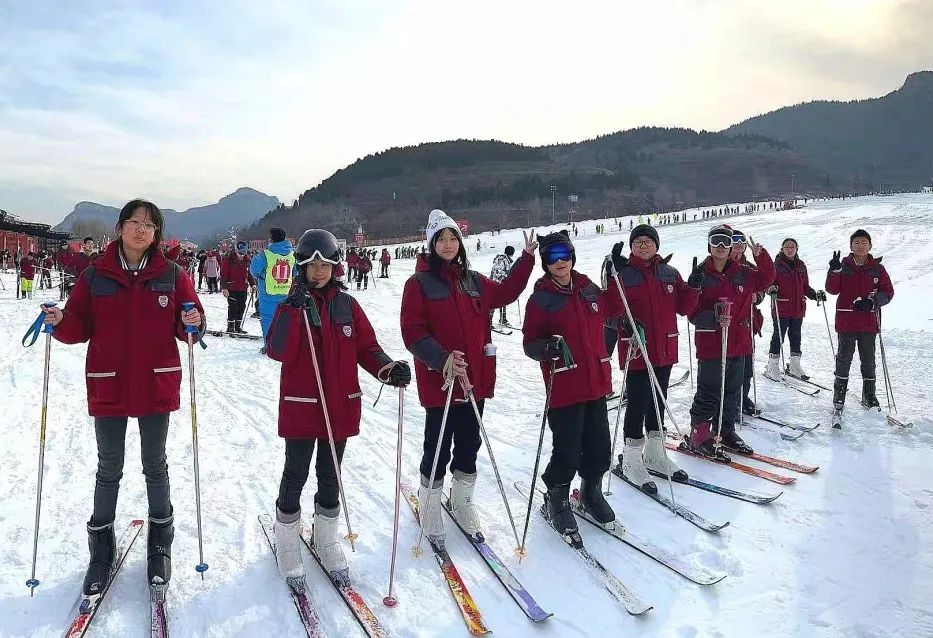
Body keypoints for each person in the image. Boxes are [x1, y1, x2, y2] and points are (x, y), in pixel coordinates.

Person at [41, 199, 205, 596]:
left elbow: (191, 324)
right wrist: (61, 321)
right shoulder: (96, 274)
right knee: (109, 466)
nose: (140, 230)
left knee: (155, 465)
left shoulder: (172, 273)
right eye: (133, 222)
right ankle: (100, 551)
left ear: (157, 234)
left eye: (148, 225)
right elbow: (79, 324)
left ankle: (160, 544)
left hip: (154, 384)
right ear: (119, 228)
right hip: (110, 382)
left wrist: (194, 322)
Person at [265, 229, 410, 578]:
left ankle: (326, 537)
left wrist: (387, 368)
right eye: (312, 264)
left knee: (331, 475)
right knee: (296, 472)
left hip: (339, 406)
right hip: (302, 405)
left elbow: (367, 348)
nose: (319, 271)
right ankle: (286, 536)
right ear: (301, 266)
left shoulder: (347, 305)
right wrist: (291, 310)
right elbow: (277, 350)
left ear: (335, 267)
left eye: (326, 264)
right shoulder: (291, 306)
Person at [400, 209, 534, 541]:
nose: (447, 244)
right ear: (432, 244)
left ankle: (462, 501)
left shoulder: (473, 282)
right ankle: (430, 505)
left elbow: (504, 294)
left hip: (474, 379)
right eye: (441, 239)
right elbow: (412, 332)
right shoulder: (418, 284)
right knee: (438, 445)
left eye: (452, 238)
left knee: (469, 443)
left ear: (460, 243)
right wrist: (442, 358)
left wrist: (527, 259)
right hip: (441, 380)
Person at [522, 230, 627, 535]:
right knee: (567, 449)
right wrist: (546, 349)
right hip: (565, 386)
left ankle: (591, 492)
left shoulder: (588, 289)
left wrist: (617, 275)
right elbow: (530, 342)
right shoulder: (541, 298)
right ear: (546, 262)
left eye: (565, 255)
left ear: (572, 257)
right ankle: (556, 497)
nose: (560, 262)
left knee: (599, 446)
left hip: (595, 382)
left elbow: (614, 307)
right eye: (553, 257)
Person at [604, 225, 699, 494]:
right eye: (638, 242)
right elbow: (610, 309)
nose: (643, 246)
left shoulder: (669, 273)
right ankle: (632, 460)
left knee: (659, 401)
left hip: (664, 347)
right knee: (637, 402)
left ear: (656, 245)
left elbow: (684, 308)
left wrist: (694, 287)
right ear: (632, 246)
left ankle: (655, 454)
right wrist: (610, 276)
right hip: (637, 349)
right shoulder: (623, 274)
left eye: (648, 242)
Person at [687, 225, 775, 459]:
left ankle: (725, 430)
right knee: (710, 389)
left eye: (726, 242)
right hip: (711, 342)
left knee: (733, 390)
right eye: (716, 241)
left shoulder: (743, 272)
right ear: (709, 246)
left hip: (738, 341)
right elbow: (690, 310)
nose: (722, 246)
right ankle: (700, 432)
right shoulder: (701, 274)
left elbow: (767, 279)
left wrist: (761, 256)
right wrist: (712, 317)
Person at [825, 229, 894, 417]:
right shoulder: (843, 266)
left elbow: (888, 292)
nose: (860, 246)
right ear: (851, 246)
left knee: (869, 360)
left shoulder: (877, 268)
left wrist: (873, 302)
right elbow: (832, 290)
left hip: (869, 322)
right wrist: (834, 271)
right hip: (847, 321)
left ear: (870, 245)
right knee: (844, 358)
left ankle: (869, 395)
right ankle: (839, 396)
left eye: (864, 242)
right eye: (856, 243)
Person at [765, 238, 822, 381]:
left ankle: (795, 366)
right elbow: (768, 284)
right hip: (781, 307)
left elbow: (805, 287)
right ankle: (772, 366)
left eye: (792, 247)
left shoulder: (801, 266)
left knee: (796, 337)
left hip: (798, 308)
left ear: (797, 248)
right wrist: (771, 289)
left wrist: (815, 295)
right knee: (778, 337)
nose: (790, 249)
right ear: (782, 248)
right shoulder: (776, 265)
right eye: (787, 247)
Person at [728, 230, 767, 416]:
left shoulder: (749, 267)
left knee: (746, 366)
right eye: (734, 241)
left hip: (747, 322)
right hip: (729, 323)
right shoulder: (723, 264)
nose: (738, 245)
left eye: (741, 241)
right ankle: (731, 402)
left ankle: (743, 398)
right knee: (731, 368)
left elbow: (763, 286)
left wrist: (757, 297)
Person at [250, 227, 295, 352]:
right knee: (285, 320)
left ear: (271, 239)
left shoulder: (265, 254)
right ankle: (285, 344)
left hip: (268, 292)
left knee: (268, 319)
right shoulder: (292, 254)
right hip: (286, 291)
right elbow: (295, 271)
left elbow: (254, 271)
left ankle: (269, 345)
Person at [221, 240, 256, 333]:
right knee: (233, 307)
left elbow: (249, 274)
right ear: (236, 250)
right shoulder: (229, 259)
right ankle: (230, 326)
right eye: (240, 253)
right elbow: (224, 274)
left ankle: (238, 326)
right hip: (231, 287)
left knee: (241, 307)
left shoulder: (247, 260)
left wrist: (253, 284)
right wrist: (224, 288)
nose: (241, 255)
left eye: (243, 253)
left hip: (243, 287)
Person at [489, 245, 516, 326]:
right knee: (493, 303)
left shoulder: (505, 260)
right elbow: (497, 271)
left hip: (501, 284)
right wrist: (507, 276)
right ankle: (488, 322)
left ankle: (503, 319)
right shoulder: (502, 260)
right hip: (495, 284)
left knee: (503, 301)